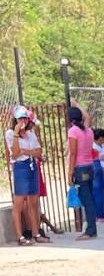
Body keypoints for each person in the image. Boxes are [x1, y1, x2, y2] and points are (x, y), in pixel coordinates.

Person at [5, 105, 48, 245]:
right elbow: (16, 153)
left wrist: (27, 151)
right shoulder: (10, 134)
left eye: (25, 118)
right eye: (20, 119)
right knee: (18, 203)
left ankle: (36, 233)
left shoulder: (30, 134)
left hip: (31, 165)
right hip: (20, 168)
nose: (23, 121)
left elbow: (38, 151)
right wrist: (17, 134)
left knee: (33, 202)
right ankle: (20, 237)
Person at [66, 102, 97, 240]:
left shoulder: (73, 131)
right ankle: (92, 228)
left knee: (86, 199)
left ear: (70, 119)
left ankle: (90, 230)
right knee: (90, 197)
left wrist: (70, 172)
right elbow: (87, 116)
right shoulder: (88, 130)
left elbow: (73, 153)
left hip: (80, 168)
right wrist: (77, 105)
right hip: (90, 166)